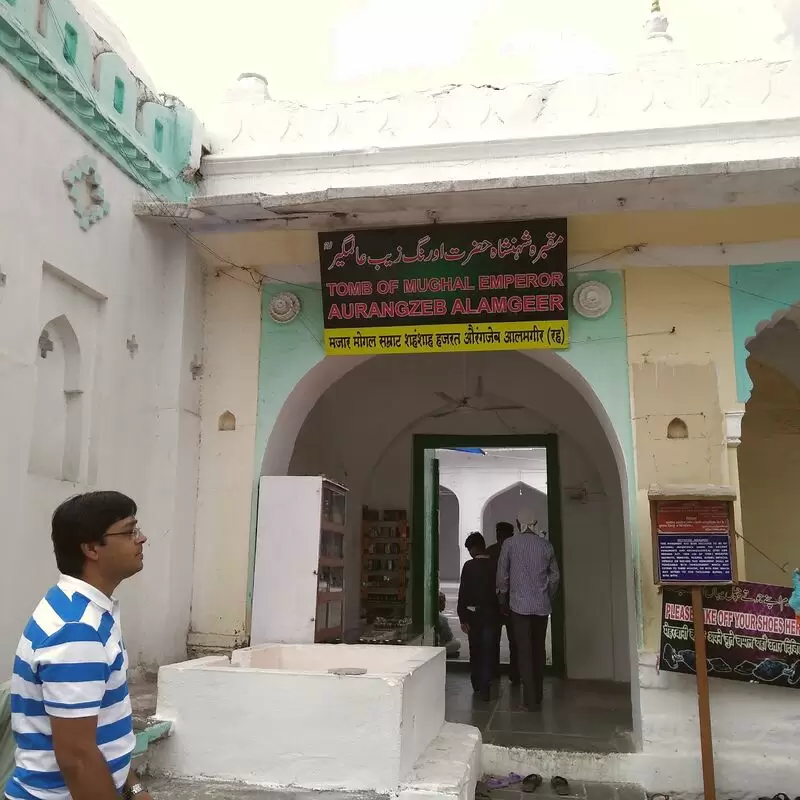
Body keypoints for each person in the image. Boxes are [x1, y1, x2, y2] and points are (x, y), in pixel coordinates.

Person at [5, 492, 152, 800]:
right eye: (129, 531)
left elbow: (102, 727)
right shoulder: (76, 631)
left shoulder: (90, 612)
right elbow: (78, 758)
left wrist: (135, 788)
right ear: (90, 548)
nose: (142, 539)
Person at [496, 521, 560, 712]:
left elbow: (502, 576)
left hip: (519, 607)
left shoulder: (509, 544)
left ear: (518, 523)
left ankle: (529, 701)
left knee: (524, 652)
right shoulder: (546, 545)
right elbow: (555, 577)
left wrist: (502, 597)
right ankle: (538, 696)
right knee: (538, 650)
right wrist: (547, 595)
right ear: (535, 523)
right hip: (541, 608)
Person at [457, 532, 500, 701]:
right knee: (489, 649)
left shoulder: (468, 566)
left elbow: (463, 594)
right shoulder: (496, 565)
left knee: (475, 649)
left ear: (474, 548)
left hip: (473, 615)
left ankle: (476, 682)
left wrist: (462, 617)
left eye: (469, 549)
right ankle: (486, 684)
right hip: (492, 614)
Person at [486, 521, 519, 684]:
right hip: (513, 602)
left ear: (497, 534)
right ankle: (515, 674)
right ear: (511, 534)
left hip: (494, 603)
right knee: (515, 641)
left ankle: (494, 672)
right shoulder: (517, 551)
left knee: (493, 640)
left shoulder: (490, 552)